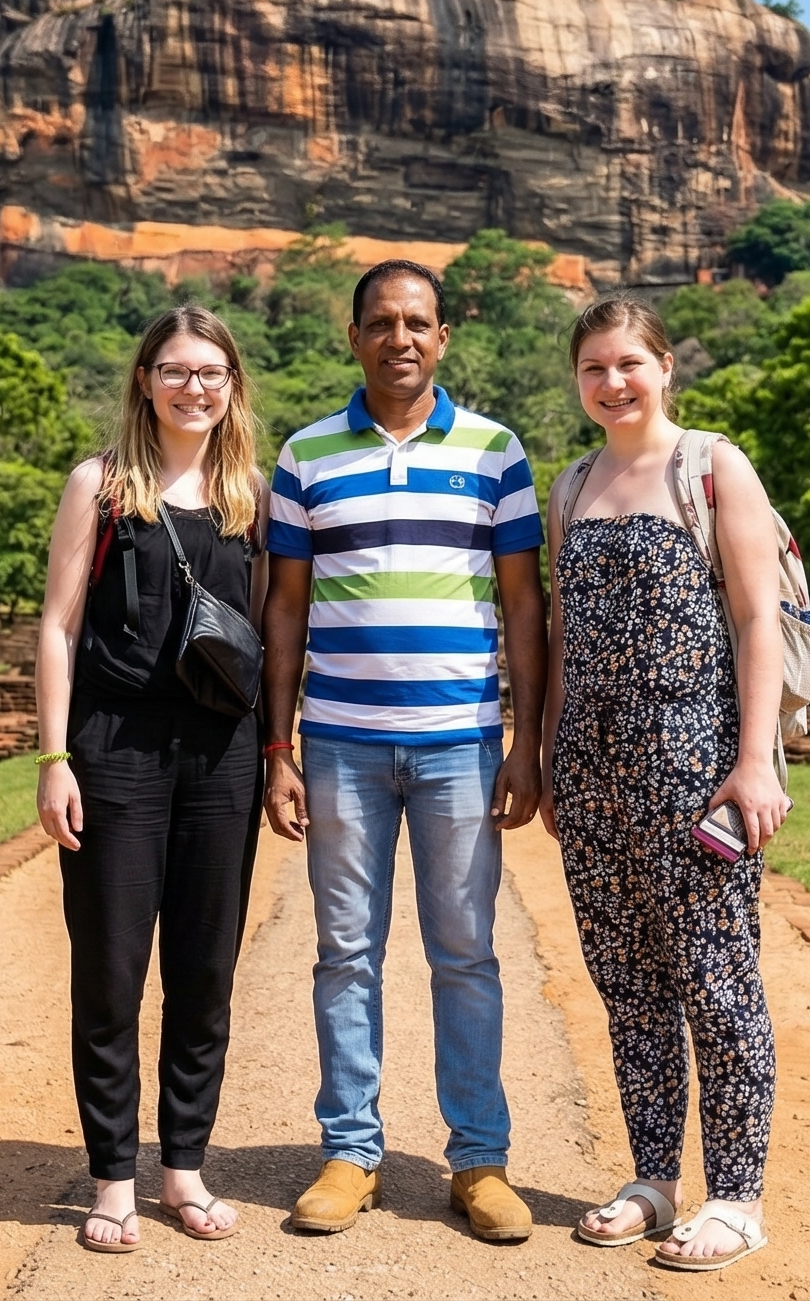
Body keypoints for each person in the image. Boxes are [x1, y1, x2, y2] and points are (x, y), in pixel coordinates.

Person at [260, 258, 549, 1244]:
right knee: (345, 953)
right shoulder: (304, 457)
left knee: (465, 954)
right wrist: (279, 745)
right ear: (353, 337)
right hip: (339, 744)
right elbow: (285, 609)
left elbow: (521, 604)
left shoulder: (493, 453)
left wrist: (524, 742)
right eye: (380, 323)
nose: (400, 339)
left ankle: (478, 1161)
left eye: (417, 323)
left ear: (442, 338)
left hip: (460, 747)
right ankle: (351, 1152)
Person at [542, 299, 789, 1273]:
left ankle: (735, 1196)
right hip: (594, 767)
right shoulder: (570, 485)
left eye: (629, 364)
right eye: (594, 368)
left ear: (665, 367)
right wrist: (554, 752)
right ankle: (653, 1177)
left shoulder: (710, 467)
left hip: (694, 757)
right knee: (629, 984)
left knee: (717, 980)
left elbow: (756, 620)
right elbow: (563, 641)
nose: (612, 382)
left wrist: (753, 759)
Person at [34, 306, 267, 1254]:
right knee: (112, 971)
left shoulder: (251, 491)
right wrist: (54, 759)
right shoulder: (101, 485)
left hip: (223, 754)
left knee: (205, 969)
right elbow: (56, 624)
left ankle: (185, 1169)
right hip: (114, 748)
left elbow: (272, 630)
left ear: (231, 386)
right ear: (145, 380)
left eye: (210, 373)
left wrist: (282, 751)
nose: (193, 388)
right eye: (175, 371)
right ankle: (111, 1178)